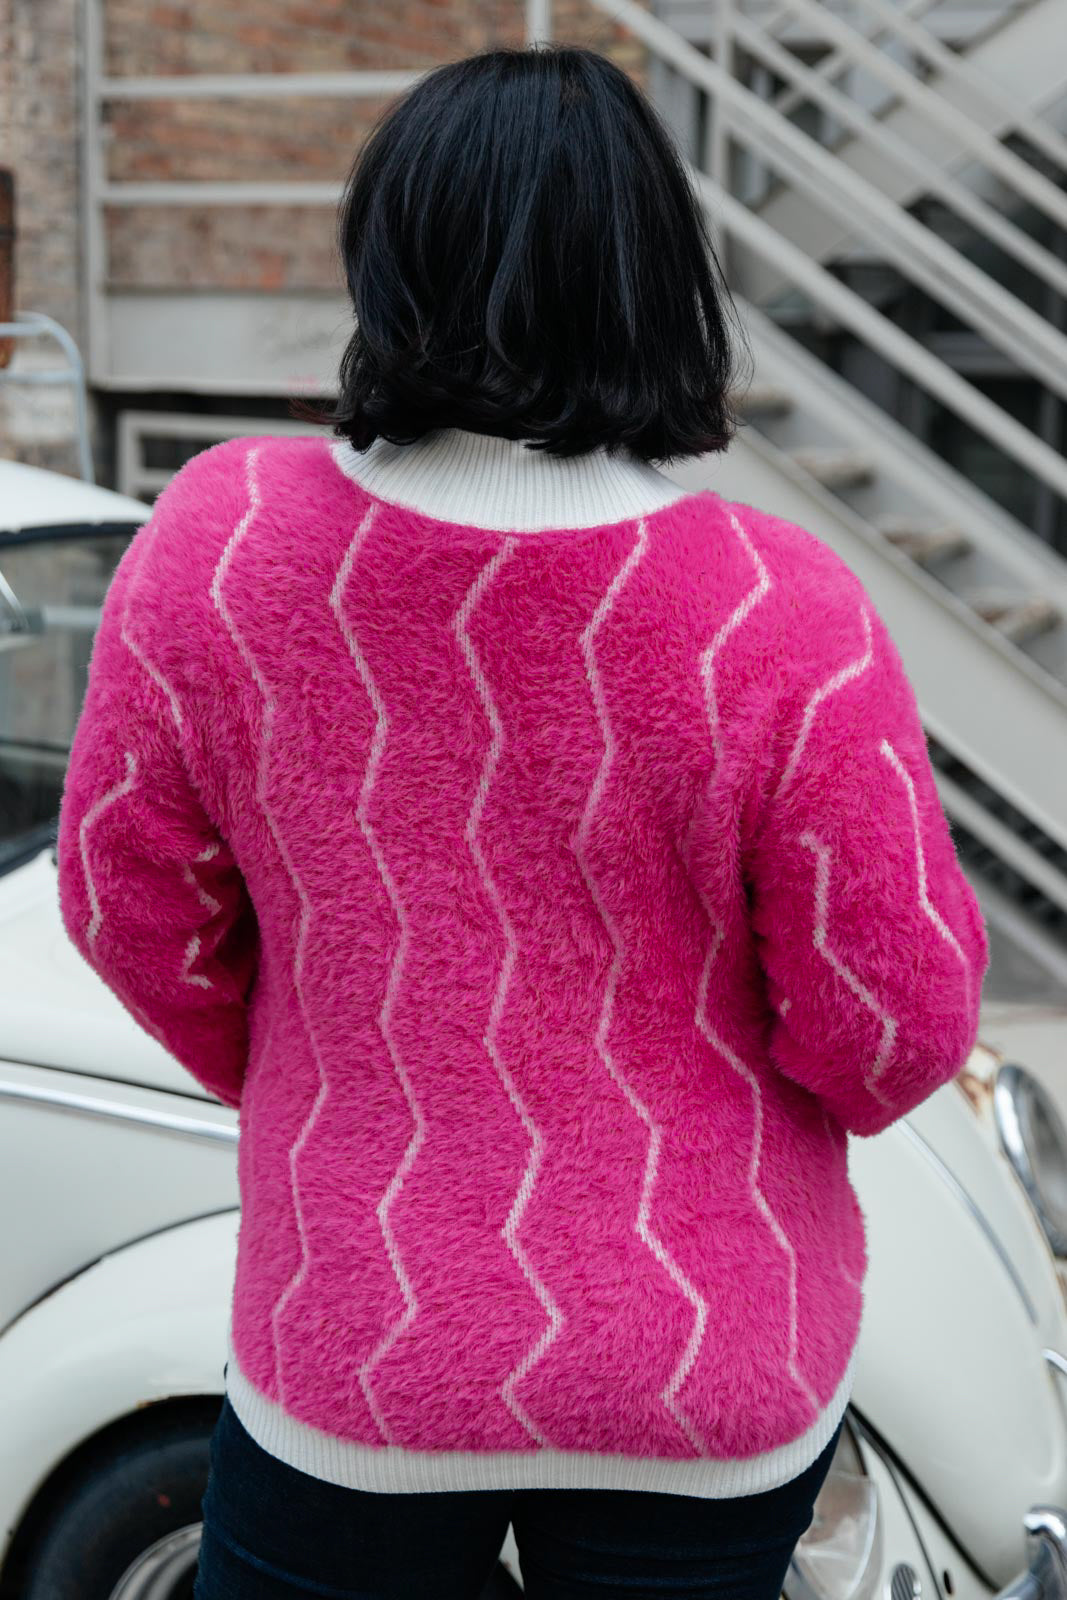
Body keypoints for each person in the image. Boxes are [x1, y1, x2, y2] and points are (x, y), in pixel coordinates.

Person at [55, 40, 989, 1600]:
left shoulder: (222, 542)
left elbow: (120, 896)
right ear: (659, 283)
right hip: (706, 1357)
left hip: (360, 1337)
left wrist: (327, 1069)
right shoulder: (783, 611)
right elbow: (893, 1024)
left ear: (389, 256)